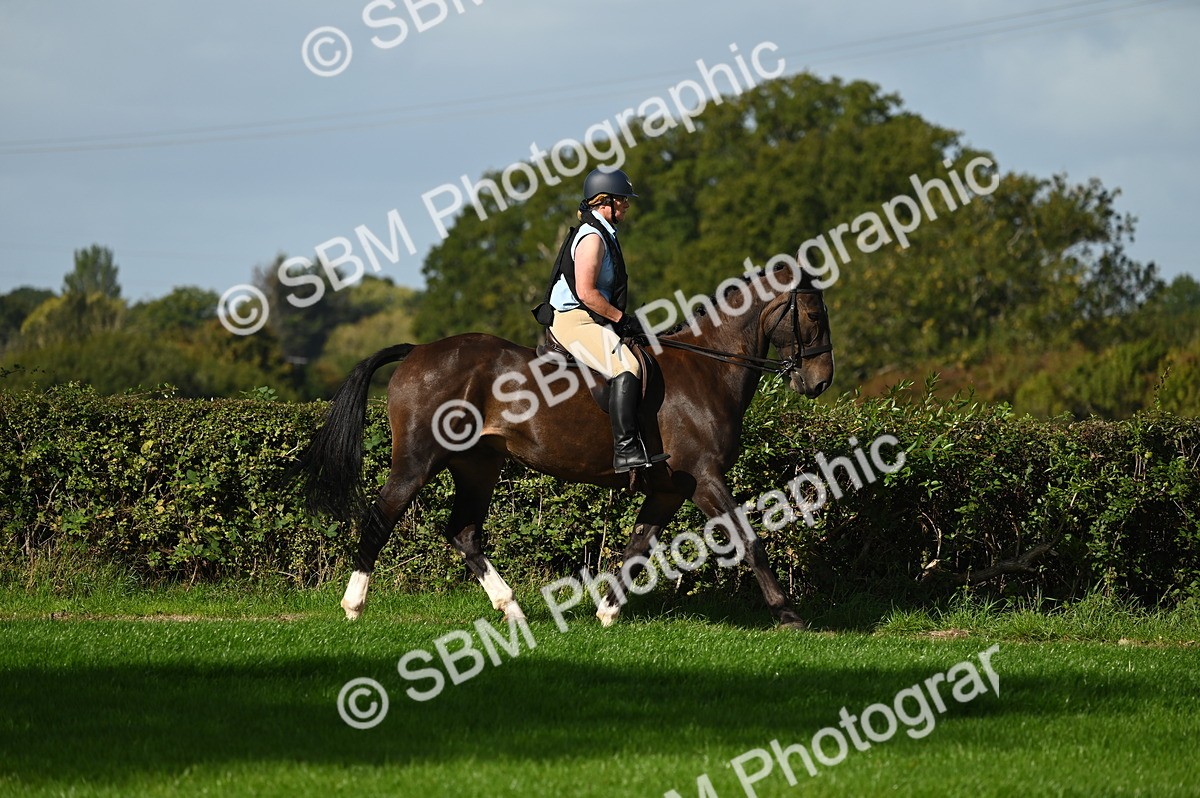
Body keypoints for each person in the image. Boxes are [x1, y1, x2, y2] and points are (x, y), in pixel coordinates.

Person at [547, 168, 669, 473]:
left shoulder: (602, 233)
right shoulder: (592, 238)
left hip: (591, 318)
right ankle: (625, 451)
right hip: (574, 320)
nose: (627, 205)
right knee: (626, 365)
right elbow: (587, 293)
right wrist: (623, 319)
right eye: (623, 200)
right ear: (605, 202)